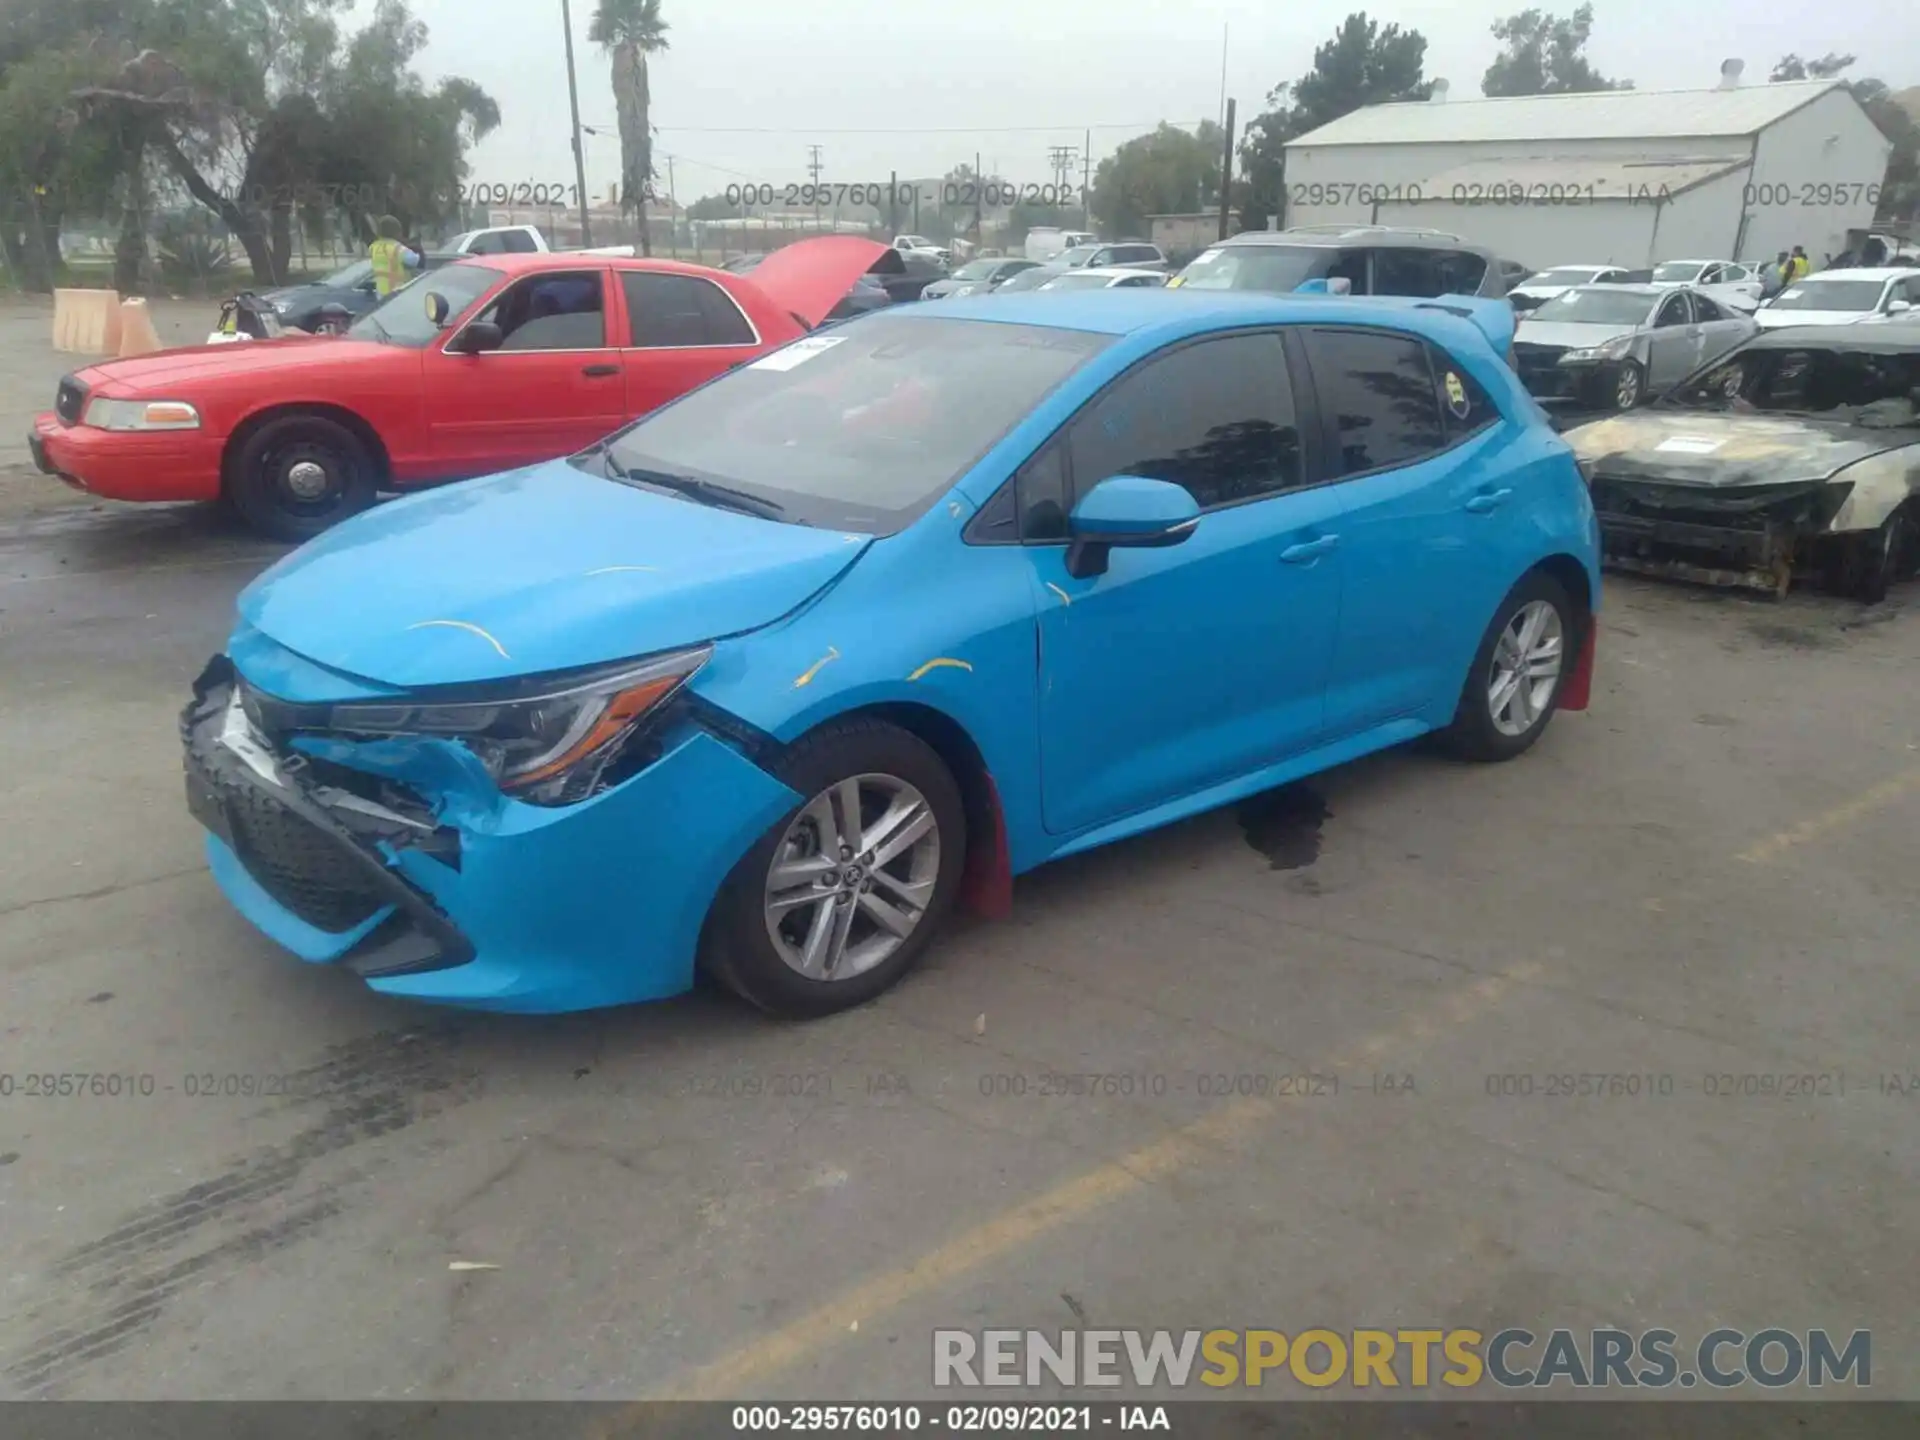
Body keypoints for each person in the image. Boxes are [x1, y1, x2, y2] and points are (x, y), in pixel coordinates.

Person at [368, 215, 422, 298]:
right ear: (396, 232)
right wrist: (417, 250)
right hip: (395, 294)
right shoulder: (397, 248)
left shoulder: (374, 247)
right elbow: (414, 260)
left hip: (380, 293)